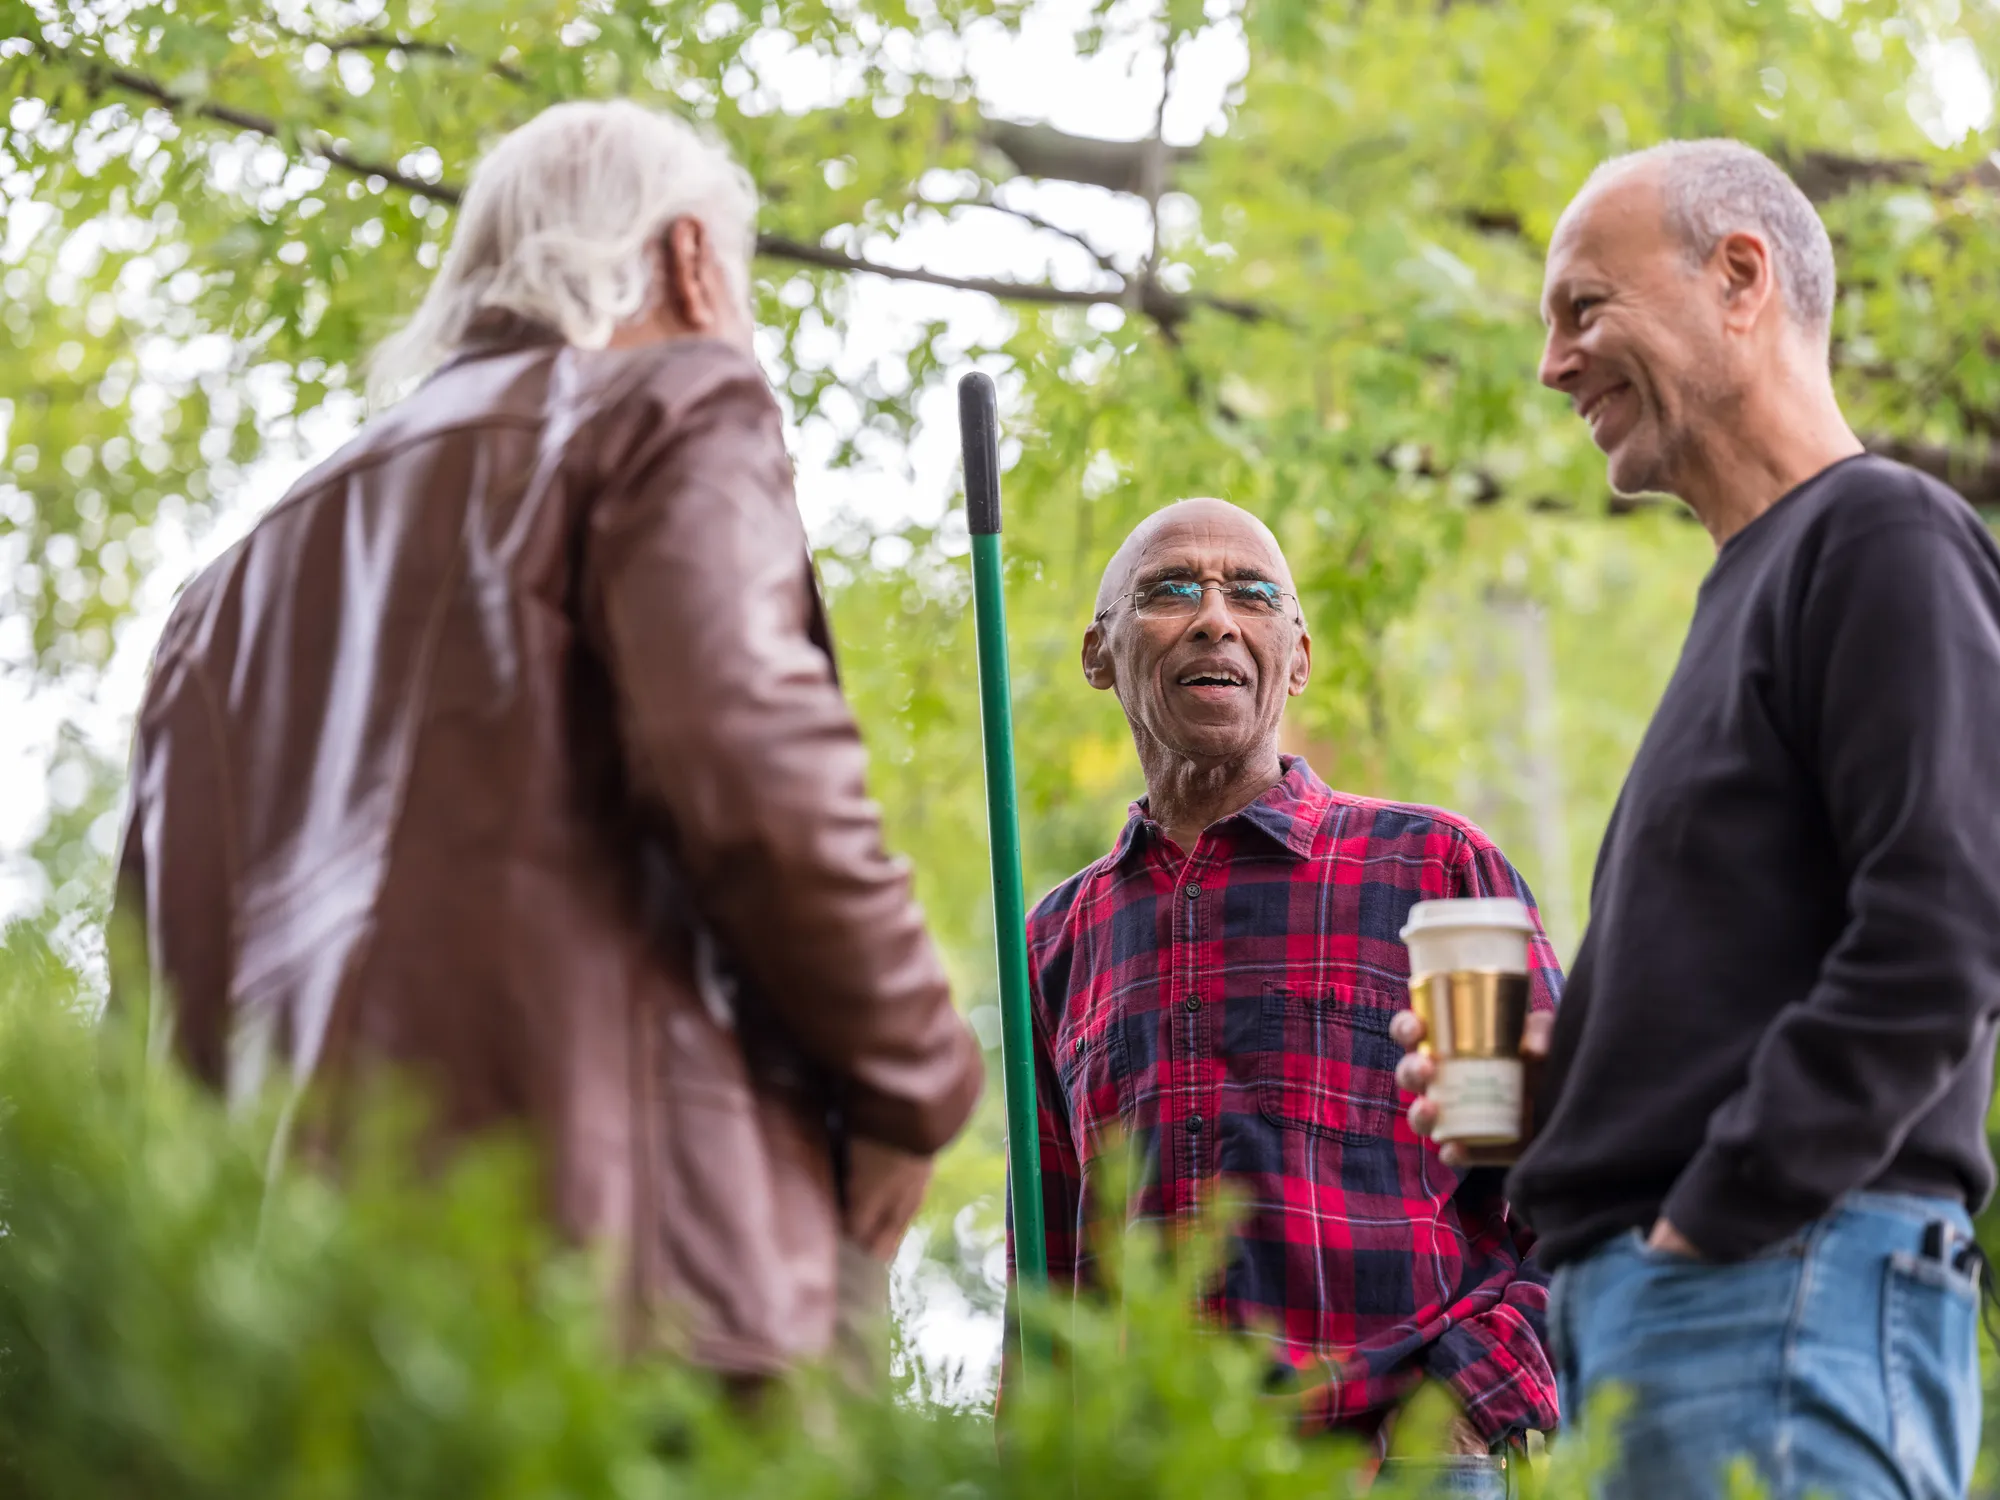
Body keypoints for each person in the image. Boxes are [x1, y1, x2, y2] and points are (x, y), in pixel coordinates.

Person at [109, 100, 983, 1384]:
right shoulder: (667, 408)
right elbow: (751, 761)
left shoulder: (218, 598)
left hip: (295, 1331)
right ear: (689, 263)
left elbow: (158, 1006)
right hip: (630, 1282)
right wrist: (915, 1076)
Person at [1396, 139, 2000, 1499]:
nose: (1553, 364)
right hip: (1682, 1310)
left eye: (1584, 307)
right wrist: (1560, 1094)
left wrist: (1712, 1216)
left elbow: (1942, 933)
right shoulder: (1742, 593)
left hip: (1776, 1291)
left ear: (1740, 276)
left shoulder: (1882, 538)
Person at [1013, 497, 1560, 1494]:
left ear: (1295, 659)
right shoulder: (1053, 942)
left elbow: (1578, 1180)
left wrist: (1468, 1412)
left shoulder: (1433, 871)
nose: (1215, 618)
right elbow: (1043, 1284)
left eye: (1252, 595)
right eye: (1171, 591)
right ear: (1099, 655)